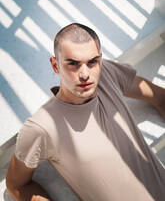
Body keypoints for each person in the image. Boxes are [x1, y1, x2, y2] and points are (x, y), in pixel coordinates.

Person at [6, 23, 165, 201]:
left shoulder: (108, 74)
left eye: (92, 62)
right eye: (73, 64)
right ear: (55, 65)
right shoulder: (41, 127)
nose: (85, 74)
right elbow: (16, 185)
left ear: (100, 60)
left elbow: (160, 98)